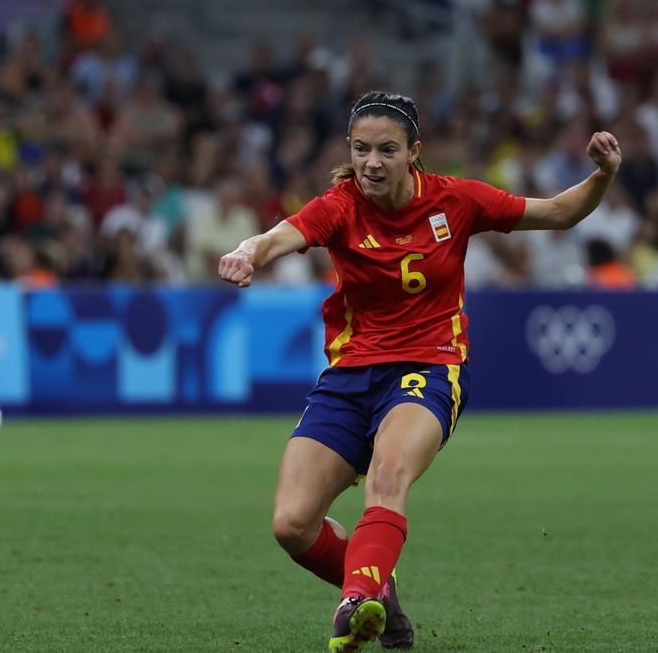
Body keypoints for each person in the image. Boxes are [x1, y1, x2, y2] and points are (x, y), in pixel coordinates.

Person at [218, 90, 620, 652]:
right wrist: (247, 252)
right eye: (361, 150)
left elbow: (558, 212)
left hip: (429, 369)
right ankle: (377, 587)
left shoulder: (456, 202)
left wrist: (602, 176)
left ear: (414, 153)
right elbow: (279, 236)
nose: (372, 163)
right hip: (350, 376)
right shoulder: (339, 205)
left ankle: (357, 601)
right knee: (292, 524)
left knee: (387, 478)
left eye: (386, 149)